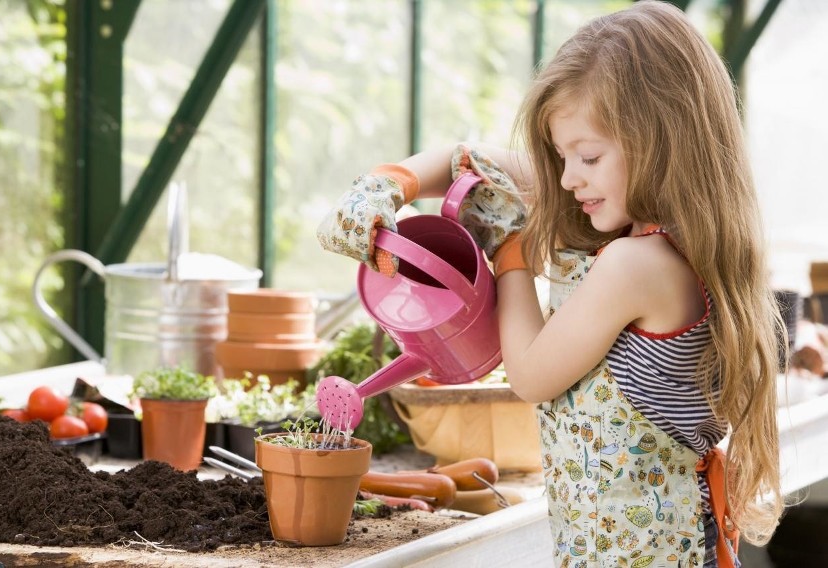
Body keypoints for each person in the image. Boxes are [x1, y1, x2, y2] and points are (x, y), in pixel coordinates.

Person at [316, 1, 784, 566]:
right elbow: (470, 161)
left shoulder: (637, 264)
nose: (566, 179)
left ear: (662, 139)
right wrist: (392, 182)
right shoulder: (671, 231)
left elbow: (533, 373)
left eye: (586, 156)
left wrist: (511, 251)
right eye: (561, 156)